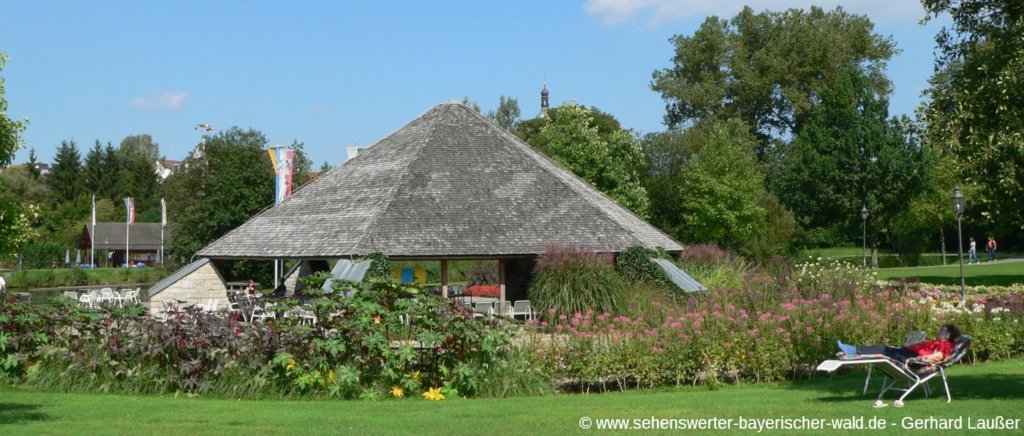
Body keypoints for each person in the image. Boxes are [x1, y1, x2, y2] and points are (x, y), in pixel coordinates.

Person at [837, 324, 961, 364]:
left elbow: (939, 356)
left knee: (882, 350)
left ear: (948, 335)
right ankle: (850, 354)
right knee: (882, 351)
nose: (939, 331)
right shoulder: (935, 341)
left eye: (942, 330)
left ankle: (851, 351)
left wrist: (919, 358)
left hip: (910, 359)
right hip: (905, 353)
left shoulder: (946, 345)